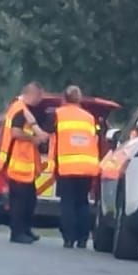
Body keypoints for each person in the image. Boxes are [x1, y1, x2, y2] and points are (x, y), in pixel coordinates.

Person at [51, 86, 102, 249]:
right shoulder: (89, 117)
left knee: (68, 203)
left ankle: (69, 238)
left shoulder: (58, 114)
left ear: (64, 98)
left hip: (67, 166)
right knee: (82, 202)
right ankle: (83, 238)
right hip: (86, 166)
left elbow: (49, 134)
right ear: (79, 99)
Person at [3, 85, 50, 245]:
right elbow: (16, 132)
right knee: (20, 201)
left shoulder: (20, 108)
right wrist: (33, 139)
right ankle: (17, 232)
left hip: (23, 164)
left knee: (29, 200)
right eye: (39, 97)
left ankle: (25, 230)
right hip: (18, 163)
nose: (40, 100)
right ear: (32, 94)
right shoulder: (20, 110)